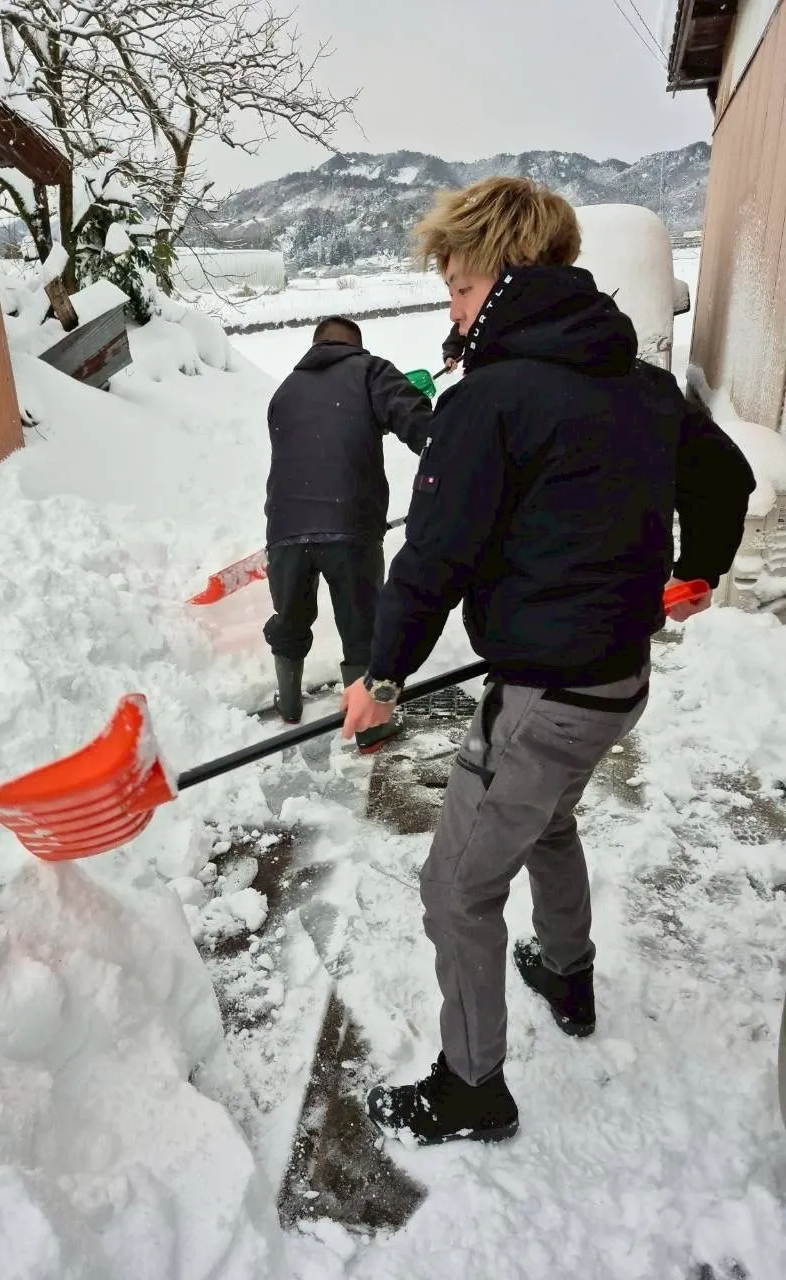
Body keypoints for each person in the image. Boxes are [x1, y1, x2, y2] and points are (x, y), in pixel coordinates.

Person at [341, 177, 756, 1143]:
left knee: (456, 888)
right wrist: (698, 567)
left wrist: (381, 677)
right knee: (549, 819)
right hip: (618, 682)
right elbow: (725, 477)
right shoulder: (641, 384)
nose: (452, 309)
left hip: (546, 698)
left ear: (499, 278)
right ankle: (567, 974)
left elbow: (432, 558)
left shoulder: (490, 399)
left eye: (456, 288)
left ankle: (470, 1087)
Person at [264, 315, 431, 752]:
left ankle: (288, 703)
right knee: (361, 626)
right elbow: (415, 417)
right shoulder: (369, 370)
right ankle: (370, 730)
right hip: (350, 527)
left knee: (290, 619)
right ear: (355, 346)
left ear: (316, 346)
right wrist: (447, 457)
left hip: (286, 530)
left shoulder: (284, 392)